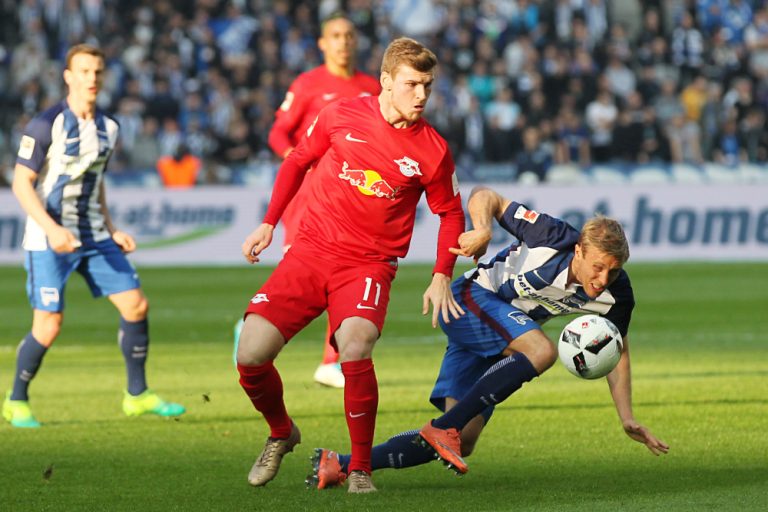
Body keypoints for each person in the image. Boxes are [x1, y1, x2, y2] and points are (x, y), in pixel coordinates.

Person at [307, 185, 669, 489]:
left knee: (463, 441)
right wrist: (482, 229)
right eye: (598, 267)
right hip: (471, 299)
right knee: (541, 351)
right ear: (579, 251)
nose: (603, 279)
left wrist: (626, 416)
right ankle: (443, 429)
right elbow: (486, 197)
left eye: (613, 270)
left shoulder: (618, 294)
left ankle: (340, 464)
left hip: (499, 338)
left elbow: (615, 349)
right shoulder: (552, 235)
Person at [236, 37, 465, 493]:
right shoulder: (341, 114)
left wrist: (442, 273)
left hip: (368, 264)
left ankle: (359, 467)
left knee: (355, 345)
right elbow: (298, 160)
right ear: (386, 81)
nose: (420, 95)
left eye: (427, 86)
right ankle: (282, 431)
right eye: (411, 84)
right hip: (310, 251)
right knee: (250, 355)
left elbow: (451, 213)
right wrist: (268, 222)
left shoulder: (433, 149)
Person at [3, 44, 184, 429]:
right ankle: (16, 399)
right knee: (49, 324)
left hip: (94, 234)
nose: (92, 78)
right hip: (48, 236)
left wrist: (113, 227)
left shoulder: (110, 127)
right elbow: (21, 183)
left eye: (98, 71)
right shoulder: (45, 124)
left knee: (136, 305)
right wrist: (52, 229)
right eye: (84, 71)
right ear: (68, 76)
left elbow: (95, 181)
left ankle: (137, 396)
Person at [267, 12, 380, 389]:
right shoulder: (308, 84)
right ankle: (254, 322)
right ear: (322, 43)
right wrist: (294, 160)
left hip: (352, 201)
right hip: (308, 197)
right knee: (300, 274)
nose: (343, 42)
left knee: (344, 273)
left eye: (349, 35)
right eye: (336, 35)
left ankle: (331, 361)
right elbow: (279, 131)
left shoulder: (370, 87)